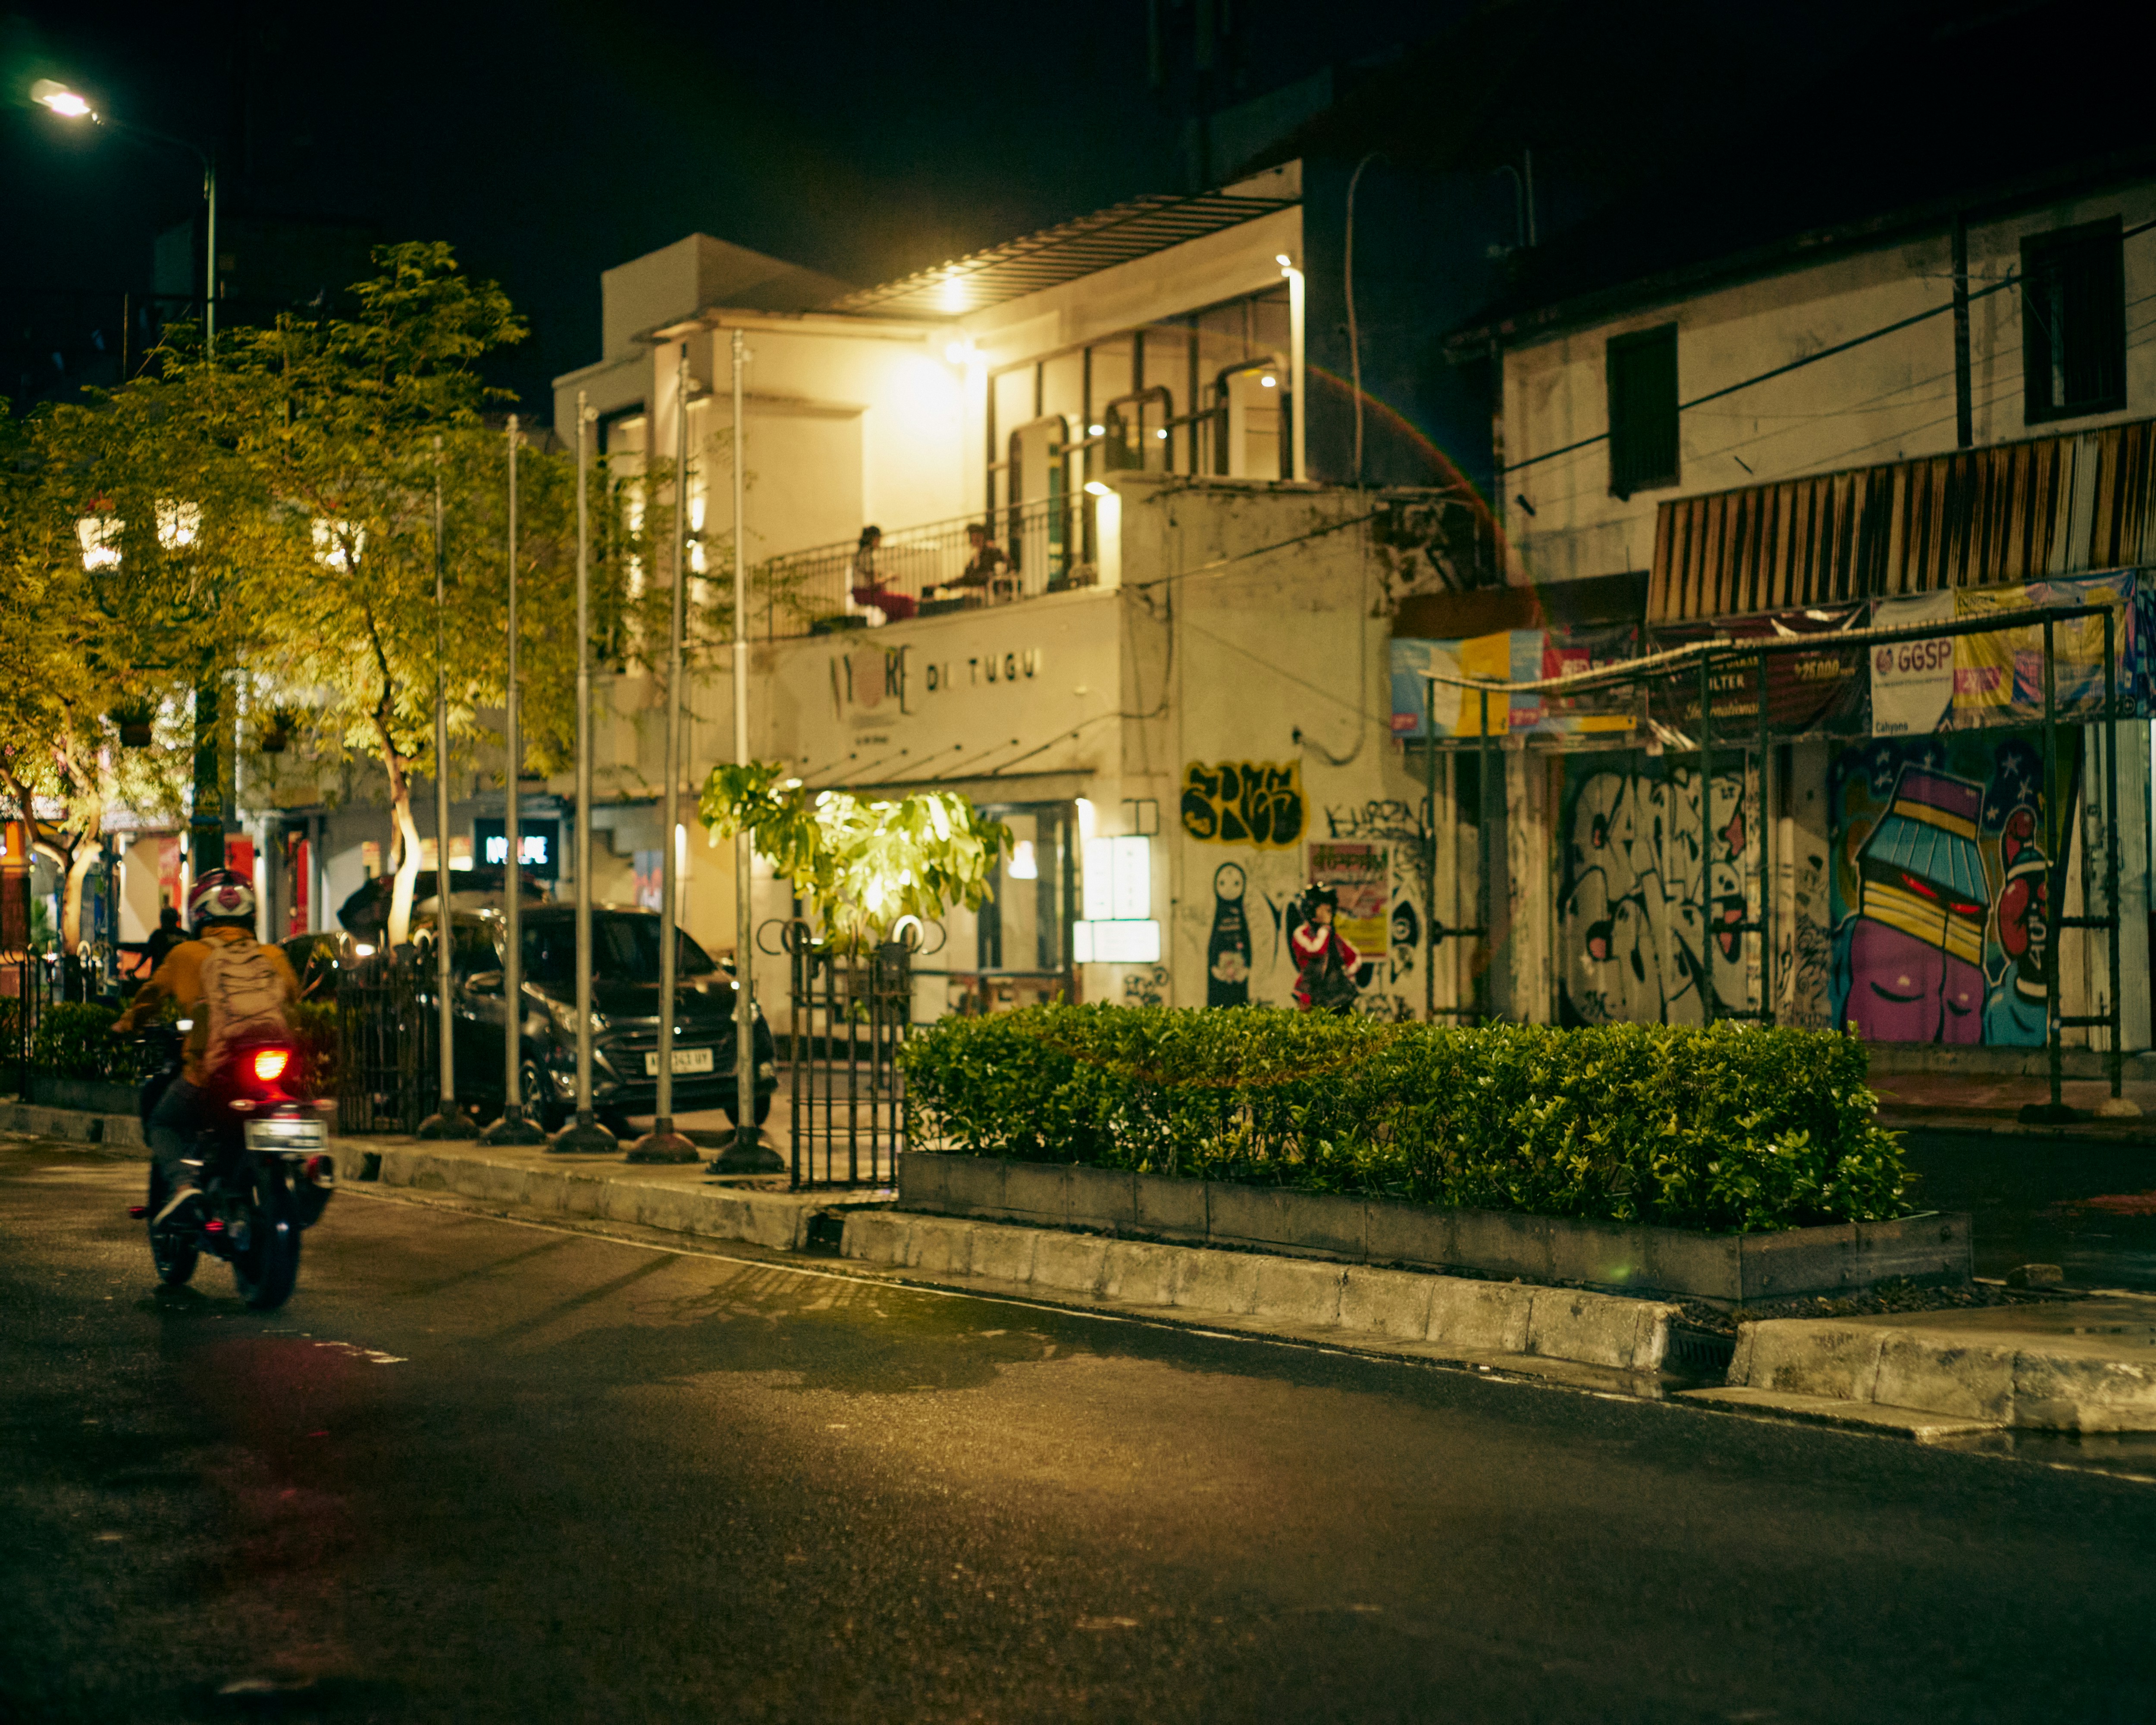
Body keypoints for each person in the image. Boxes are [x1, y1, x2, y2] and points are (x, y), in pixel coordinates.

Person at [112, 869, 301, 1226]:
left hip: (215, 1070)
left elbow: (149, 997)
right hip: (277, 1067)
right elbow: (294, 996)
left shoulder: (186, 954)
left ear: (199, 912)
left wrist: (124, 1025)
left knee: (164, 1121)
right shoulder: (272, 955)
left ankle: (184, 1185)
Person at [1291, 886, 1361, 1014]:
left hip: (1333, 995)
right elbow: (1316, 951)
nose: (1329, 914)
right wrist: (1324, 930)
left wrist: (1347, 974)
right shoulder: (1301, 933)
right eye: (1324, 910)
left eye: (1330, 911)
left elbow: (1354, 956)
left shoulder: (1331, 935)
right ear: (1311, 911)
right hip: (1309, 995)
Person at [847, 525, 915, 623]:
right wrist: (890, 577)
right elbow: (873, 582)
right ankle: (908, 626)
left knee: (894, 606)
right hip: (865, 593)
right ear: (873, 539)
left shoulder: (862, 555)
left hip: (864, 593)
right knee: (907, 601)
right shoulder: (866, 556)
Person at [952, 522, 1012, 596]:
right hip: (978, 591)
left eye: (971, 536)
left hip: (991, 592)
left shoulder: (992, 551)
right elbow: (967, 575)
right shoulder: (976, 556)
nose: (969, 540)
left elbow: (995, 572)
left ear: (979, 536)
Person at [143, 905, 185, 970]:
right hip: (179, 975)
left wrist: (136, 969)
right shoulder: (185, 935)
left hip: (160, 975)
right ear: (177, 920)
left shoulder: (158, 935)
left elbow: (147, 953)